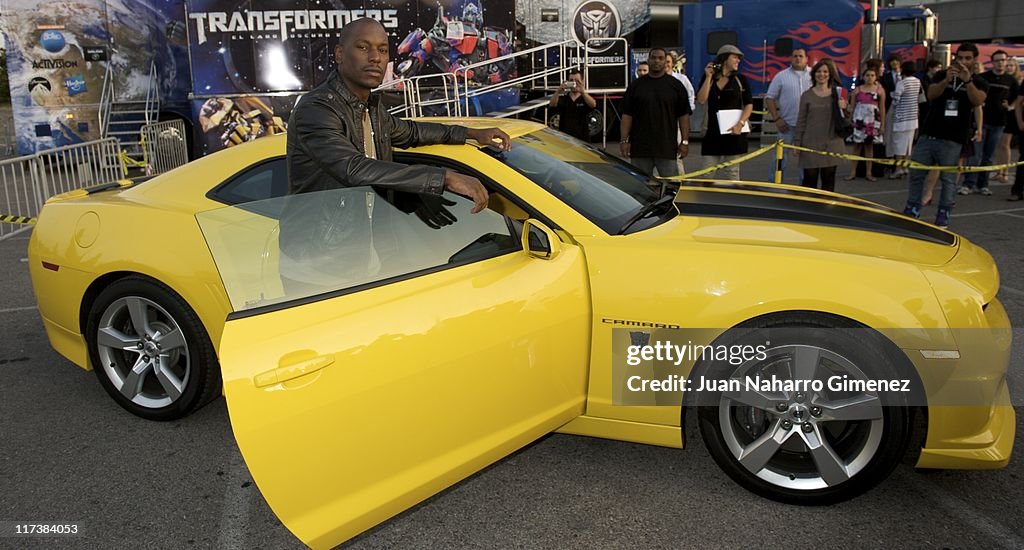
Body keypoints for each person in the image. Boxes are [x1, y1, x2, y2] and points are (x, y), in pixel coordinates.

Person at [281, 18, 511, 289]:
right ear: (340, 54)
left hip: (361, 257)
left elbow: (412, 132)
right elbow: (353, 168)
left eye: (382, 50)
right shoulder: (316, 109)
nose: (375, 58)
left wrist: (471, 134)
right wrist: (445, 178)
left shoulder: (371, 107)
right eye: (363, 47)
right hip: (316, 266)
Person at [903, 42, 989, 229]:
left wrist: (968, 81)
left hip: (954, 138)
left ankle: (943, 214)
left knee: (948, 178)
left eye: (968, 58)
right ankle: (913, 209)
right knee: (917, 173)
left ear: (975, 60)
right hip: (929, 133)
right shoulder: (943, 75)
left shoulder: (980, 81)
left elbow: (978, 101)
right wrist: (945, 81)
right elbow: (931, 95)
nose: (963, 62)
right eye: (960, 58)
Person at [620, 47, 692, 178]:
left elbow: (684, 116)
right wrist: (624, 141)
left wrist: (685, 142)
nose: (656, 61)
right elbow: (626, 116)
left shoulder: (676, 86)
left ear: (666, 62)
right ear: (648, 60)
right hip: (640, 149)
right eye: (653, 58)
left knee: (671, 187)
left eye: (660, 58)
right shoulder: (636, 86)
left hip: (666, 149)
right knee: (639, 188)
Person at [960, 49, 1019, 195]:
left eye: (1003, 60)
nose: (1000, 63)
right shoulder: (983, 78)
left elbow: (1018, 98)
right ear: (992, 62)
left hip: (999, 122)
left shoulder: (1011, 80)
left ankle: (983, 185)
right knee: (975, 154)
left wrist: (1010, 106)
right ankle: (968, 184)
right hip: (982, 121)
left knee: (989, 155)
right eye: (997, 60)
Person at [696, 44, 754, 181]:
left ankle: (732, 201)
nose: (738, 61)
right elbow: (701, 100)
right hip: (712, 133)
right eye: (735, 57)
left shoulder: (740, 80)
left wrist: (740, 124)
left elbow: (749, 104)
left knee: (732, 174)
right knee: (707, 173)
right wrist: (709, 77)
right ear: (724, 59)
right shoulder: (709, 78)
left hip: (733, 132)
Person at [794, 59, 847, 191]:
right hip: (810, 143)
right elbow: (801, 120)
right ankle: (808, 208)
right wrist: (797, 143)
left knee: (828, 179)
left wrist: (845, 108)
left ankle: (825, 210)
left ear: (830, 75)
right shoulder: (806, 95)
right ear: (813, 74)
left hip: (831, 142)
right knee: (809, 180)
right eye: (818, 71)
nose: (821, 74)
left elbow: (847, 119)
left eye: (825, 72)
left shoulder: (838, 94)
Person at [765, 47, 811, 181]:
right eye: (795, 56)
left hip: (808, 126)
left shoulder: (814, 75)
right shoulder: (781, 76)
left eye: (801, 56)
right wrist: (777, 118)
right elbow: (769, 98)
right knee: (780, 158)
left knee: (806, 159)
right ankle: (774, 184)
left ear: (806, 59)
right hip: (786, 126)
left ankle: (805, 187)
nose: (798, 58)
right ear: (791, 58)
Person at [844, 66, 885, 181]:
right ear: (863, 77)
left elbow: (882, 109)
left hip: (872, 121)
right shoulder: (857, 90)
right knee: (856, 147)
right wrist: (849, 120)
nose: (870, 78)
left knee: (869, 147)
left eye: (872, 75)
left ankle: (869, 172)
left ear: (876, 77)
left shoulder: (880, 90)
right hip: (859, 120)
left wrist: (882, 125)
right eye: (867, 75)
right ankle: (852, 172)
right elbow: (852, 107)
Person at [888, 61, 922, 179]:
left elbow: (896, 99)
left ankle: (898, 169)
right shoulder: (918, 82)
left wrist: (892, 97)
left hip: (901, 118)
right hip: (912, 118)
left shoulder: (902, 83)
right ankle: (905, 167)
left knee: (898, 145)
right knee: (908, 144)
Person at [549, 68, 597, 141]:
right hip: (566, 138)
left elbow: (593, 105)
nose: (574, 83)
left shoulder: (584, 98)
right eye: (571, 81)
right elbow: (552, 104)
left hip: (582, 138)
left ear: (582, 82)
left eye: (577, 81)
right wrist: (558, 92)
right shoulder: (564, 98)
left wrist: (582, 92)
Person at [995, 57, 1021, 183]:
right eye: (1008, 65)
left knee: (1005, 144)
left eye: (1012, 65)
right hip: (1000, 114)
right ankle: (999, 171)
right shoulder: (1005, 80)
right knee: (1000, 145)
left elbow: (1019, 99)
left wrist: (1011, 107)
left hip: (1011, 116)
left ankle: (1004, 173)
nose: (1009, 67)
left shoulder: (1017, 82)